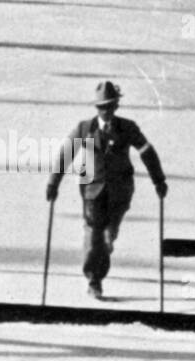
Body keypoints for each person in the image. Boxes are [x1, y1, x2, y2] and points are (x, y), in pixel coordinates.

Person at [47, 82, 167, 300]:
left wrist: (159, 180)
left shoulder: (128, 127)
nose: (106, 111)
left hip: (120, 193)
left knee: (108, 235)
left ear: (116, 106)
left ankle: (104, 247)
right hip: (92, 191)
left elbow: (147, 152)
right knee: (94, 235)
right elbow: (65, 154)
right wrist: (53, 184)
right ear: (97, 107)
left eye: (110, 106)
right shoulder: (85, 128)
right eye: (102, 106)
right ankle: (94, 280)